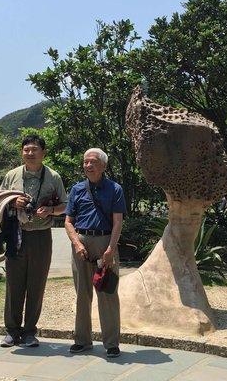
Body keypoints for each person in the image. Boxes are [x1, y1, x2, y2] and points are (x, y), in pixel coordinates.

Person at [0, 134, 67, 348]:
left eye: (34, 149)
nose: (30, 153)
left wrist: (50, 210)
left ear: (43, 153)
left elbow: (65, 205)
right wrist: (12, 201)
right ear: (22, 152)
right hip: (16, 234)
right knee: (13, 283)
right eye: (26, 149)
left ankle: (29, 332)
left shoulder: (53, 176)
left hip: (41, 236)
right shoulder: (11, 175)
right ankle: (11, 331)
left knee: (36, 284)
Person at [64, 148, 126, 358]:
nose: (88, 165)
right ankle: (82, 340)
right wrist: (76, 243)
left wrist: (110, 249)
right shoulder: (77, 189)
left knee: (107, 293)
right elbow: (68, 221)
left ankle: (111, 343)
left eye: (93, 162)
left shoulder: (115, 189)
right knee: (82, 294)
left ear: (103, 166)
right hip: (81, 243)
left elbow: (118, 222)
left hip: (105, 242)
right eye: (85, 162)